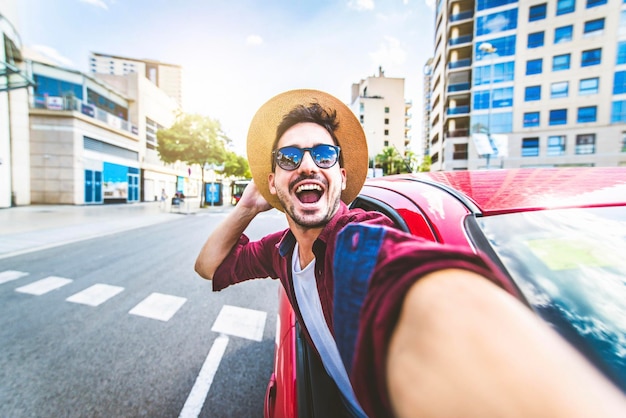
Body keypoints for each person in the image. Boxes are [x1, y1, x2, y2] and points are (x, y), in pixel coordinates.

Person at [195, 89, 626, 417]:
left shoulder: (356, 238)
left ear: (340, 178)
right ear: (273, 183)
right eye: (289, 157)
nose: (308, 165)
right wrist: (248, 206)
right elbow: (209, 265)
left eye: (323, 154)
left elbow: (394, 272)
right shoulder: (281, 251)